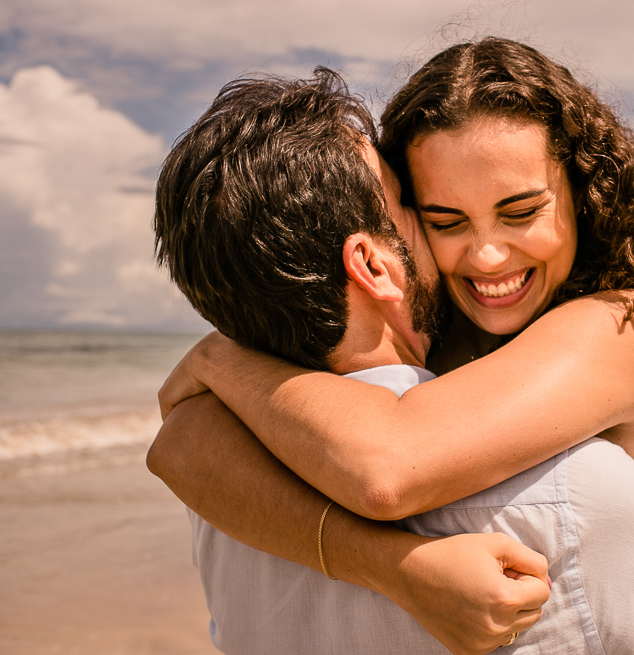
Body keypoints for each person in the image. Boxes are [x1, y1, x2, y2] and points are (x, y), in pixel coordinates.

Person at [151, 50, 634, 654]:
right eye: (443, 220)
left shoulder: (618, 326)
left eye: (521, 211)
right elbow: (179, 445)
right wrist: (391, 569)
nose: (486, 258)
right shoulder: (433, 331)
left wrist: (221, 360)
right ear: (384, 251)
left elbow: (386, 464)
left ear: (584, 194)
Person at [151, 69, 551, 655]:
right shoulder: (539, 478)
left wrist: (219, 359)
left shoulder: (218, 477)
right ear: (372, 266)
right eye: (413, 205)